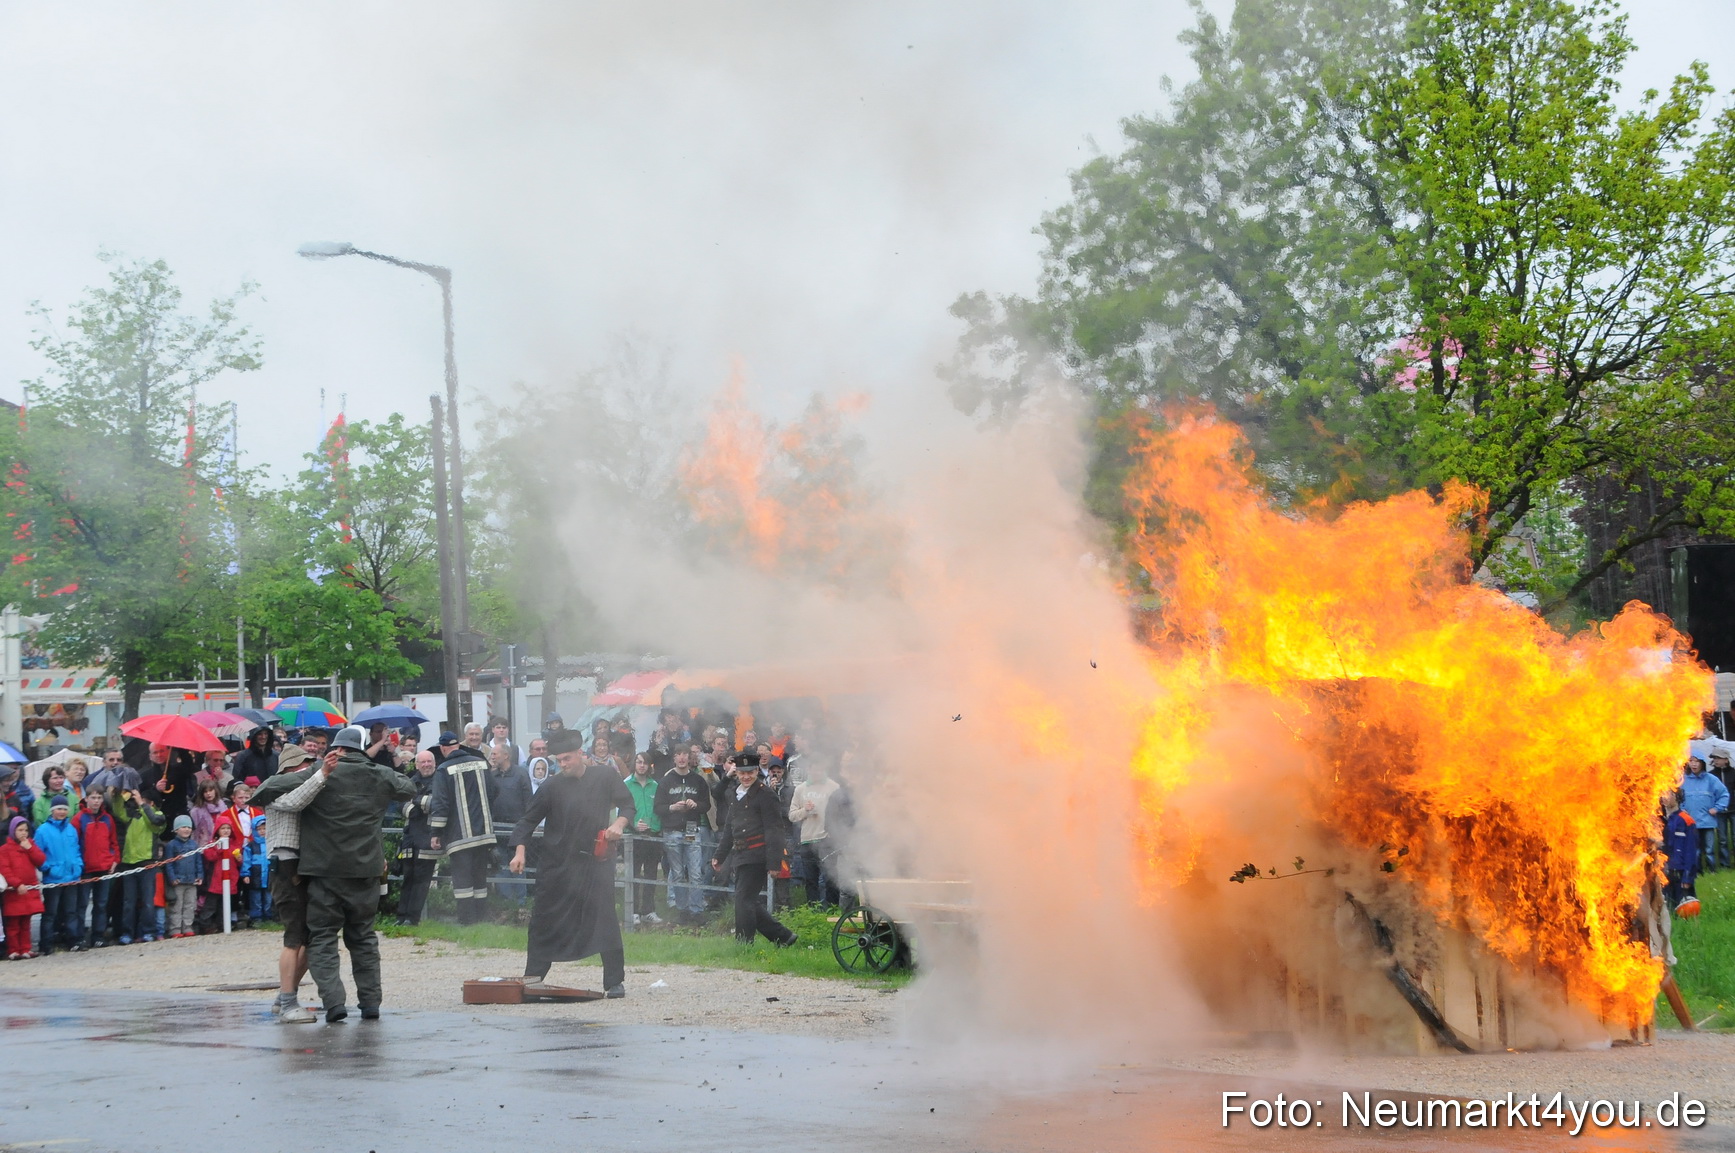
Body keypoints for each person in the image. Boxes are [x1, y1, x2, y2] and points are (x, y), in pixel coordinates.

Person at [290, 725, 416, 1022]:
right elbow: (408, 787)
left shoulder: (320, 772)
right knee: (363, 937)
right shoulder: (376, 773)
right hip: (365, 872)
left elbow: (270, 789)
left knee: (322, 937)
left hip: (324, 872)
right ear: (361, 748)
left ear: (337, 748)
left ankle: (334, 1003)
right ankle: (370, 1003)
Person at [506, 729, 634, 997]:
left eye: (566, 759)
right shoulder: (551, 786)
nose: (562, 764)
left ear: (580, 754)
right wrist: (519, 852)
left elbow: (628, 805)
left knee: (605, 919)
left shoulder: (605, 776)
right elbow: (526, 822)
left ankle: (614, 982)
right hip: (558, 867)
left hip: (595, 865)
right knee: (544, 920)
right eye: (559, 760)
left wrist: (619, 824)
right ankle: (532, 979)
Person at [246, 745, 330, 1023]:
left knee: (309, 938)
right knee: (294, 938)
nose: (308, 768)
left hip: (301, 866)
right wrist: (321, 775)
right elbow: (295, 801)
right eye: (303, 765)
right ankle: (287, 1003)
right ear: (289, 769)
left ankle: (285, 996)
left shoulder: (295, 787)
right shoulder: (274, 791)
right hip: (285, 867)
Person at [711, 756, 797, 947]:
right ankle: (783, 937)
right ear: (737, 773)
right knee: (747, 899)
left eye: (750, 772)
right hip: (740, 854)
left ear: (757, 771)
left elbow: (775, 830)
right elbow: (729, 828)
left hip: (758, 854)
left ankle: (744, 943)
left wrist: (775, 863)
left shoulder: (766, 795)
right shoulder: (735, 792)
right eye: (742, 773)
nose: (746, 777)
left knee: (743, 900)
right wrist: (719, 855)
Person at [429, 732, 496, 925]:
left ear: (442, 749)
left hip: (459, 837)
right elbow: (494, 791)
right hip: (484, 834)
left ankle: (466, 921)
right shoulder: (481, 763)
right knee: (480, 880)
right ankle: (481, 919)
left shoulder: (443, 769)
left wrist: (436, 833)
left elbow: (440, 803)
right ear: (458, 745)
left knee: (463, 881)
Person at [654, 746, 711, 922]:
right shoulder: (666, 781)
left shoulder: (698, 780)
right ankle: (682, 910)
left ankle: (696, 910)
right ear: (674, 758)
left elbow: (706, 805)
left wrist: (696, 805)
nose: (681, 758)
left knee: (695, 872)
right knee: (677, 872)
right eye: (678, 754)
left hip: (692, 829)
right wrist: (672, 807)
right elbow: (657, 807)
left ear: (689, 757)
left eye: (685, 754)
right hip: (672, 831)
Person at [109, 786, 165, 944]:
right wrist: (117, 796)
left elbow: (155, 822)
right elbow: (118, 811)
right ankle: (127, 933)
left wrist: (142, 803)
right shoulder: (132, 816)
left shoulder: (158, 815)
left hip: (147, 863)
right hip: (129, 863)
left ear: (151, 803)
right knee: (129, 902)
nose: (138, 803)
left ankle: (149, 931)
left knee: (148, 901)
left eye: (144, 801)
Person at [787, 757, 842, 906]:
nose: (817, 772)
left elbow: (842, 812)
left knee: (831, 879)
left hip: (827, 839)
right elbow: (792, 815)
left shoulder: (834, 787)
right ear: (808, 769)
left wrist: (835, 832)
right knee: (810, 880)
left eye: (820, 768)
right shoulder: (801, 789)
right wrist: (805, 810)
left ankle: (832, 910)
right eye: (814, 769)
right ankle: (813, 911)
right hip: (807, 839)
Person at [395, 750, 440, 926]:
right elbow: (399, 801)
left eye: (429, 761)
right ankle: (401, 916)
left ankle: (413, 918)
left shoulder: (440, 781)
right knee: (408, 877)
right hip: (410, 837)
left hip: (429, 836)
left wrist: (415, 800)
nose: (426, 765)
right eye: (423, 762)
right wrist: (412, 808)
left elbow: (438, 802)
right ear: (417, 764)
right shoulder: (410, 781)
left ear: (434, 763)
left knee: (422, 880)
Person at [34, 796, 83, 952]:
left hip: (72, 877)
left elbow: (76, 850)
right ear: (52, 810)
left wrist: (78, 866)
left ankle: (72, 940)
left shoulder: (71, 829)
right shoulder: (42, 830)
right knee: (50, 913)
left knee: (71, 911)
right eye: (58, 809)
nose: (61, 812)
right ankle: (46, 943)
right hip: (53, 878)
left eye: (64, 809)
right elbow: (37, 854)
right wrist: (47, 868)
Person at [73, 788, 119, 948]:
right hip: (85, 869)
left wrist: (114, 860)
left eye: (99, 797)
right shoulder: (79, 819)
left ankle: (98, 935)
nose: (96, 801)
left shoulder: (108, 819)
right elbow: (74, 845)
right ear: (86, 799)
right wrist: (78, 865)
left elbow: (113, 842)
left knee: (101, 904)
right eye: (93, 797)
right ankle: (78, 937)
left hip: (104, 867)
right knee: (82, 904)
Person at [488, 745, 534, 906]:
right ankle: (505, 903)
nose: (492, 756)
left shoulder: (521, 774)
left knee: (518, 866)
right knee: (500, 864)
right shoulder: (491, 775)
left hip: (517, 829)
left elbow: (529, 802)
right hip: (497, 829)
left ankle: (520, 903)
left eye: (495, 753)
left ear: (506, 755)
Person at [624, 752, 662, 924]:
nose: (641, 765)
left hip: (652, 836)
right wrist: (633, 824)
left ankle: (648, 911)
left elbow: (659, 809)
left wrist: (655, 828)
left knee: (651, 875)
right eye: (638, 762)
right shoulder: (625, 784)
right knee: (633, 874)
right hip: (633, 836)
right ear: (634, 764)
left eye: (645, 763)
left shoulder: (655, 785)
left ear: (649, 766)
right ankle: (633, 912)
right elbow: (621, 810)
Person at [0, 817, 46, 958]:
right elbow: (5, 869)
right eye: (20, 830)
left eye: (26, 830)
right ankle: (13, 950)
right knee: (13, 924)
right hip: (14, 892)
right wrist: (16, 883)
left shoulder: (30, 845)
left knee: (26, 922)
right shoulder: (5, 849)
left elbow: (40, 860)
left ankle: (26, 949)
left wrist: (30, 849)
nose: (23, 833)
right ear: (13, 831)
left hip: (29, 890)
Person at [1681, 756, 1730, 873]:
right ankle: (1697, 871)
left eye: (1696, 761)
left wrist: (1717, 808)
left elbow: (1724, 794)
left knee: (1709, 849)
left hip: (1708, 821)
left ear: (1702, 763)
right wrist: (1682, 809)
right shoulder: (1684, 780)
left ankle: (1711, 870)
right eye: (1691, 761)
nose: (1694, 764)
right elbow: (1678, 798)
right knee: (1695, 849)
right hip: (1691, 822)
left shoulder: (1711, 779)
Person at [162, 815, 203, 938]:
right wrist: (172, 878)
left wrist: (200, 875)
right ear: (176, 830)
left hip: (191, 881)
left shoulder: (194, 845)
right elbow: (168, 863)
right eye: (183, 827)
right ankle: (175, 929)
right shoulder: (171, 845)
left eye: (189, 827)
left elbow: (198, 861)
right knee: (176, 906)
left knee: (190, 905)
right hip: (178, 881)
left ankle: (188, 927)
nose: (186, 830)